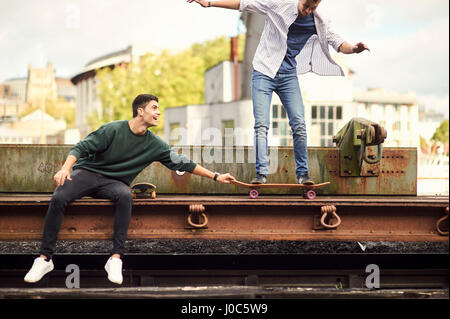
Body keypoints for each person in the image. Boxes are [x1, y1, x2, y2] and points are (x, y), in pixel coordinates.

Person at [24, 94, 236, 285]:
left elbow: (183, 163)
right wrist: (65, 169)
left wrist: (216, 176)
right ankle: (45, 259)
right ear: (140, 111)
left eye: (159, 109)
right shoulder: (113, 129)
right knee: (60, 196)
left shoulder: (155, 144)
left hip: (113, 182)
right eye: (154, 108)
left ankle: (115, 259)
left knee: (125, 195)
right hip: (87, 173)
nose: (158, 113)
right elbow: (81, 147)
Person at [187, 0, 369, 184]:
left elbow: (336, 41)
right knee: (261, 125)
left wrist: (353, 49)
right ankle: (261, 174)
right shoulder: (278, 4)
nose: (307, 11)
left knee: (299, 125)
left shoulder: (319, 21)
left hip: (288, 75)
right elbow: (244, 4)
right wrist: (209, 3)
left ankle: (303, 175)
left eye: (312, 8)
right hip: (263, 71)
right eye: (305, 5)